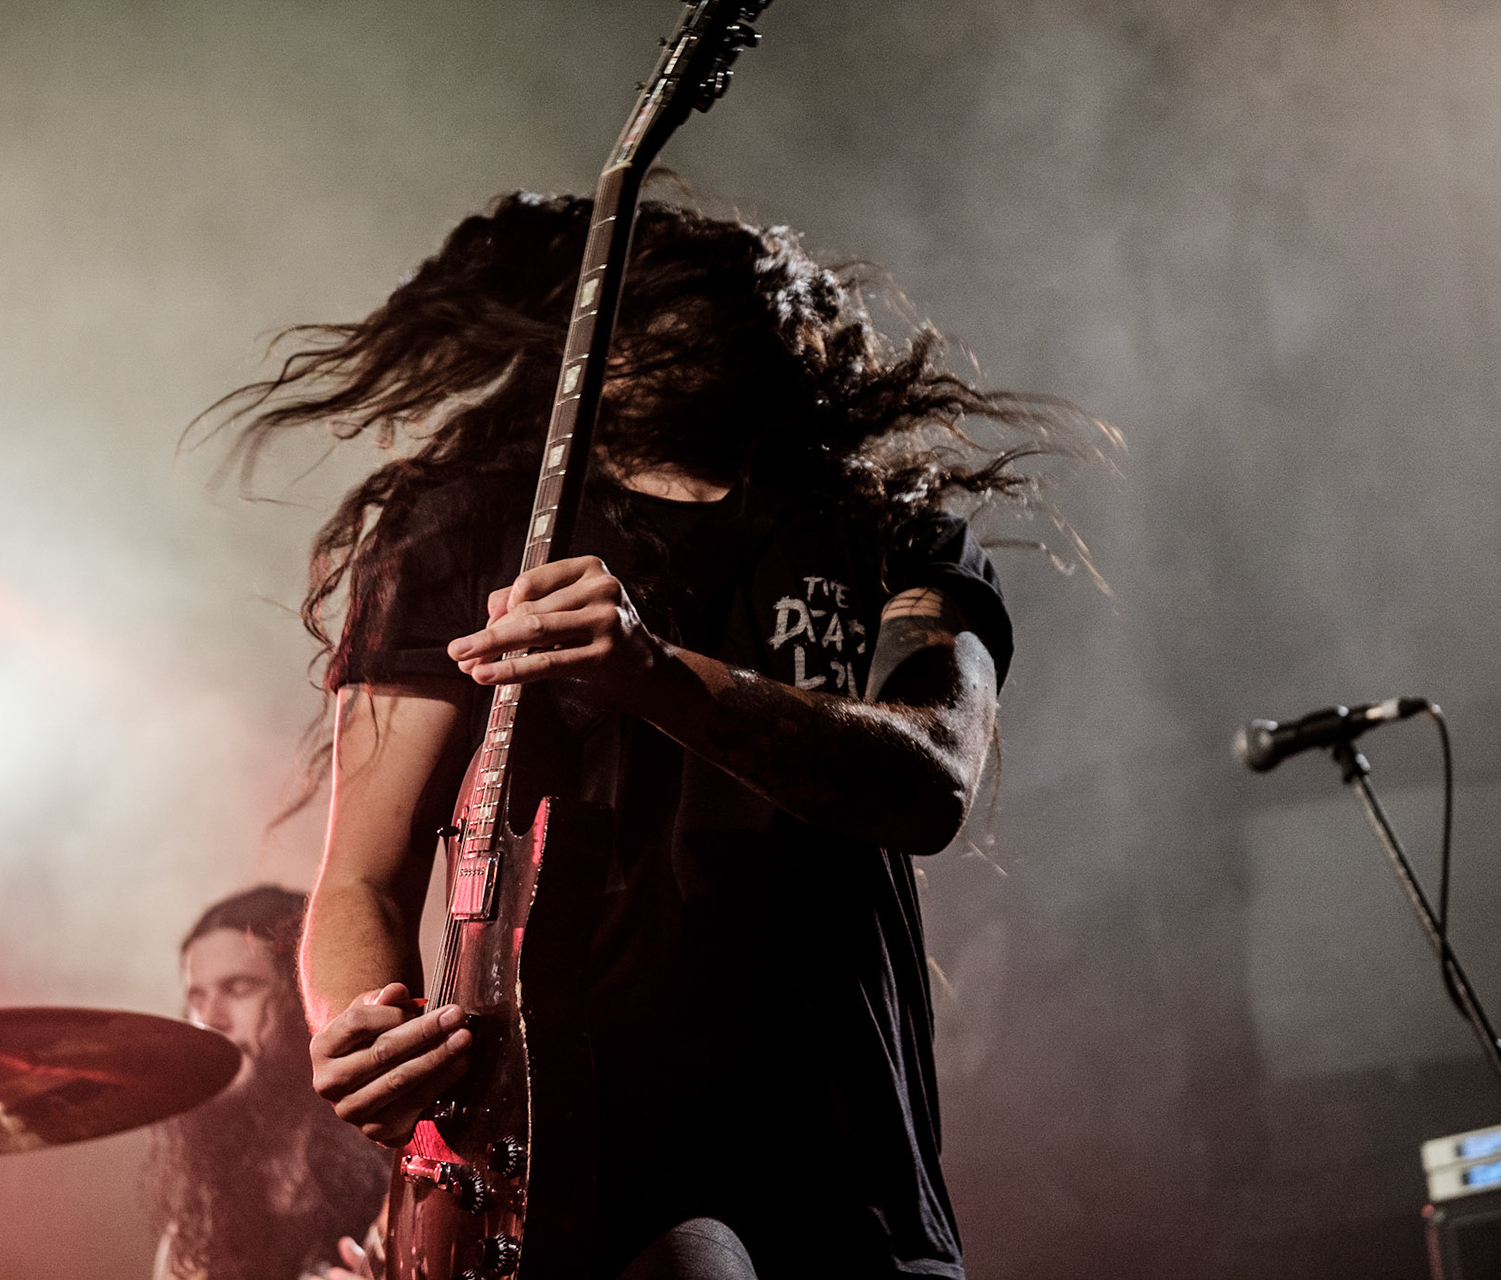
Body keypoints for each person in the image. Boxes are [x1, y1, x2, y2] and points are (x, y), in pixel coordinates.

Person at [221, 192, 1098, 1279]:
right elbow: (363, 873)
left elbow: (932, 780)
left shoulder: (895, 532)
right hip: (557, 1151)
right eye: (646, 306)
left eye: (704, 304)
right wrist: (361, 1025)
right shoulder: (463, 528)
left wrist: (658, 677)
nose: (675, 335)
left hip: (836, 1144)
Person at [147, 885, 391, 1280]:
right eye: (197, 997)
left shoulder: (393, 1165)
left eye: (238, 988)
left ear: (301, 998)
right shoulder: (199, 1219)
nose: (209, 1020)